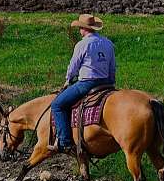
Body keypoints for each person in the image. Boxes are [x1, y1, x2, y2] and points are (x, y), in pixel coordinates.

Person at [49, 14, 116, 154]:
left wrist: (68, 80)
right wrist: (111, 83)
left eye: (80, 28)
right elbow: (112, 66)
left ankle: (64, 141)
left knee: (57, 105)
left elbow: (74, 66)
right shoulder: (108, 43)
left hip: (87, 83)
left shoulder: (82, 44)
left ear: (82, 28)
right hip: (106, 82)